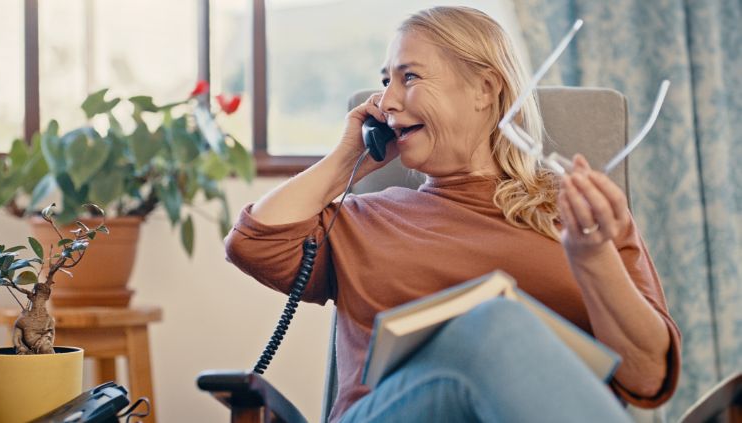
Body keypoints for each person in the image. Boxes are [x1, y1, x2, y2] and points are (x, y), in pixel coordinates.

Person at [225, 6, 680, 422]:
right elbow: (254, 242)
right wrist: (347, 156)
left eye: (410, 77)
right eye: (386, 81)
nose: (386, 102)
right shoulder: (362, 219)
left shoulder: (582, 219)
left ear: (485, 89)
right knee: (496, 325)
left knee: (500, 328)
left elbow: (647, 378)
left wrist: (592, 258)